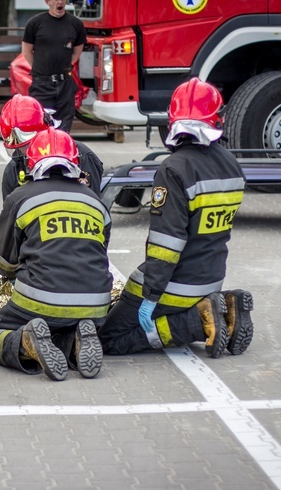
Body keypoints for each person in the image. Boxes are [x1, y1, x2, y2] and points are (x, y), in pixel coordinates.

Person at [98, 78, 254, 358]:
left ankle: (197, 323)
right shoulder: (231, 165)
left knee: (109, 339)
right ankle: (224, 312)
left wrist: (151, 296)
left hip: (175, 286)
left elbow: (166, 245)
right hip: (212, 278)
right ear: (217, 119)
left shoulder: (174, 169)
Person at [0, 127, 113, 381]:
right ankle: (75, 339)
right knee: (60, 322)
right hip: (97, 305)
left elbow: (5, 261)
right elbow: (100, 250)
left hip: (39, 300)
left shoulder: (19, 197)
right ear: (74, 163)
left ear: (31, 164)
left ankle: (24, 341)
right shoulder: (95, 202)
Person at [0, 94, 103, 200]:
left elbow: (93, 203)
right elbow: (9, 212)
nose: (26, 152)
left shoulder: (82, 156)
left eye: (29, 144)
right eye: (20, 147)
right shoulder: (14, 168)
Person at [22, 0, 86, 132]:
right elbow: (27, 51)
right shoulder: (35, 23)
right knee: (41, 125)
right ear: (47, 2)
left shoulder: (76, 24)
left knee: (63, 128)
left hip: (65, 84)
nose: (60, 2)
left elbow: (76, 53)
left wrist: (63, 67)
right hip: (41, 85)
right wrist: (40, 69)